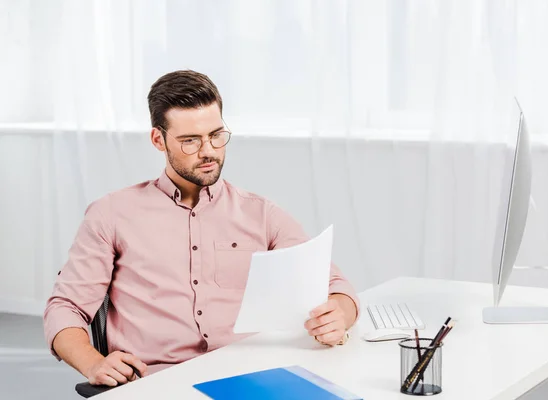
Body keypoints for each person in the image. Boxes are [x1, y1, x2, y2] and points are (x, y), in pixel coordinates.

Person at [43, 70, 360, 388]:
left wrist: (339, 315)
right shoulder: (111, 215)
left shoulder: (261, 214)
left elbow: (333, 284)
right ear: (159, 140)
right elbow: (65, 308)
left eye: (216, 135)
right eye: (190, 141)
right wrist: (94, 364)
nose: (208, 151)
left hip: (251, 378)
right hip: (156, 382)